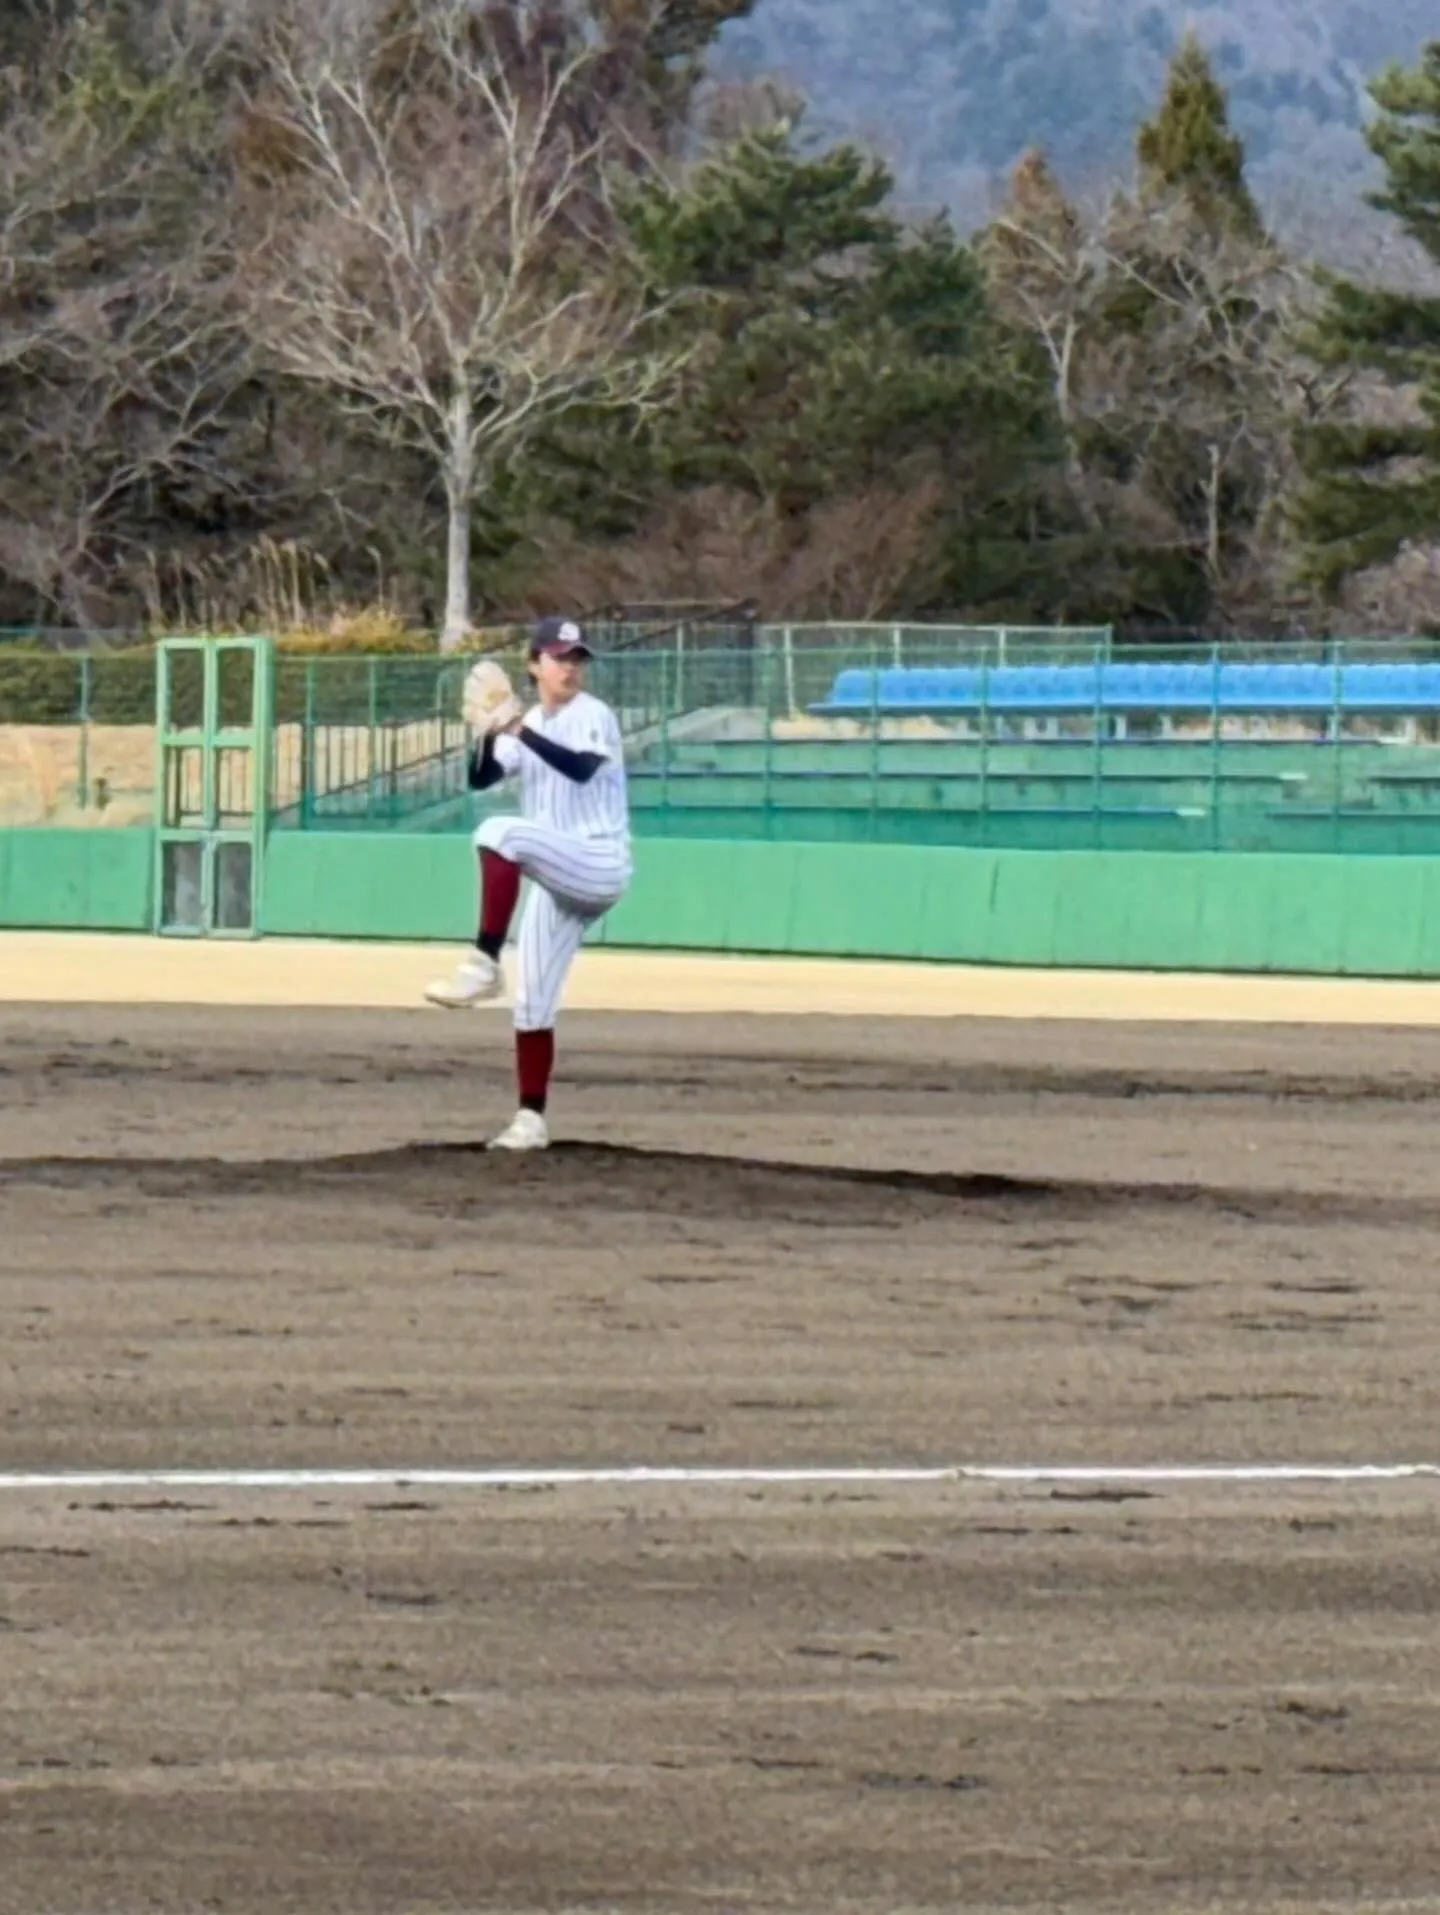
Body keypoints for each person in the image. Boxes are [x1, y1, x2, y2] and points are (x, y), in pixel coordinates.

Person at [424, 617, 632, 1151]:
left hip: (598, 861)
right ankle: (530, 1119)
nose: (570, 667)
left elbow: (582, 768)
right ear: (534, 664)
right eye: (560, 657)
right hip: (555, 873)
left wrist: (517, 728)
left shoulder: (592, 715)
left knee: (498, 832)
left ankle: (482, 962)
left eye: (576, 658)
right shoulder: (532, 719)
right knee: (532, 1003)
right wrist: (486, 733)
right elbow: (481, 779)